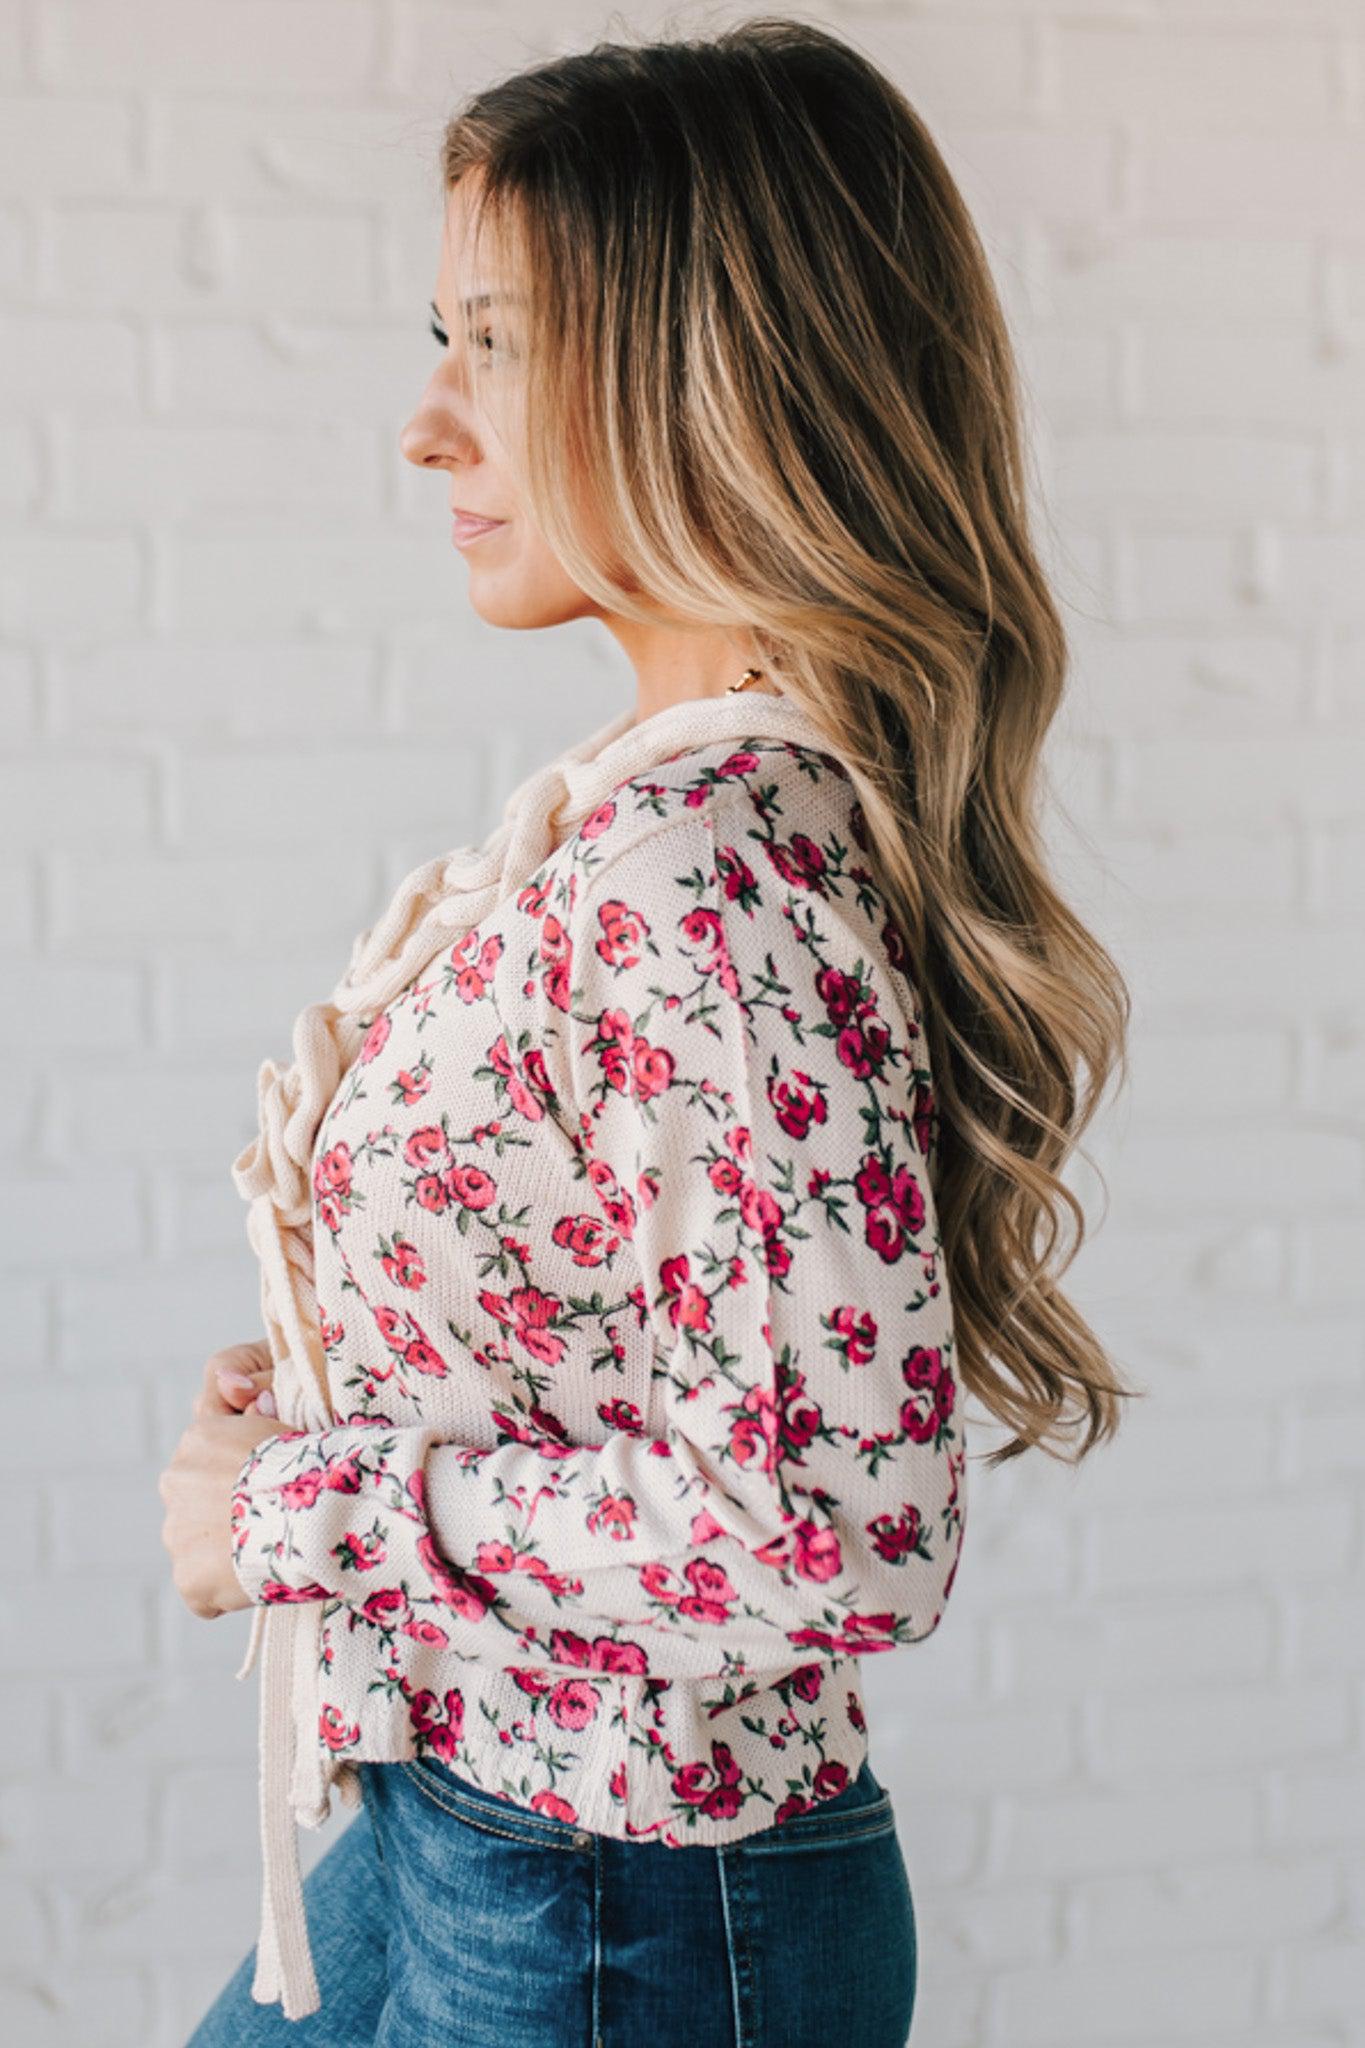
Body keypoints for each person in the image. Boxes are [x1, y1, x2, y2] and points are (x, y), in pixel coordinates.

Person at [162, 17, 1137, 2044]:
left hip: (610, 1916)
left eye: (495, 347)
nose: (427, 427)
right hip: (486, 1849)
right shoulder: (649, 812)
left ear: (710, 378)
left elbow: (835, 1527)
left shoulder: (703, 866)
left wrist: (312, 1508)